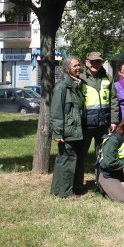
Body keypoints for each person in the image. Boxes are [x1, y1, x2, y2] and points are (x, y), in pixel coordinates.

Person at [77, 51, 119, 193]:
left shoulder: (107, 77)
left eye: (98, 61)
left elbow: (113, 100)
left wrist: (113, 120)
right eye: (93, 61)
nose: (96, 64)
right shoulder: (80, 78)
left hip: (103, 123)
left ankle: (100, 184)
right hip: (85, 124)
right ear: (87, 62)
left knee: (102, 156)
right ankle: (78, 184)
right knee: (81, 155)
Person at [50, 56, 86, 198]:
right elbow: (56, 111)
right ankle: (65, 191)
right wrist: (58, 133)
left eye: (79, 65)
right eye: (75, 66)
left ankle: (61, 189)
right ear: (66, 69)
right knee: (67, 160)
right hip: (68, 131)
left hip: (76, 130)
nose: (78, 68)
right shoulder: (62, 87)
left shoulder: (77, 85)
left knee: (69, 159)